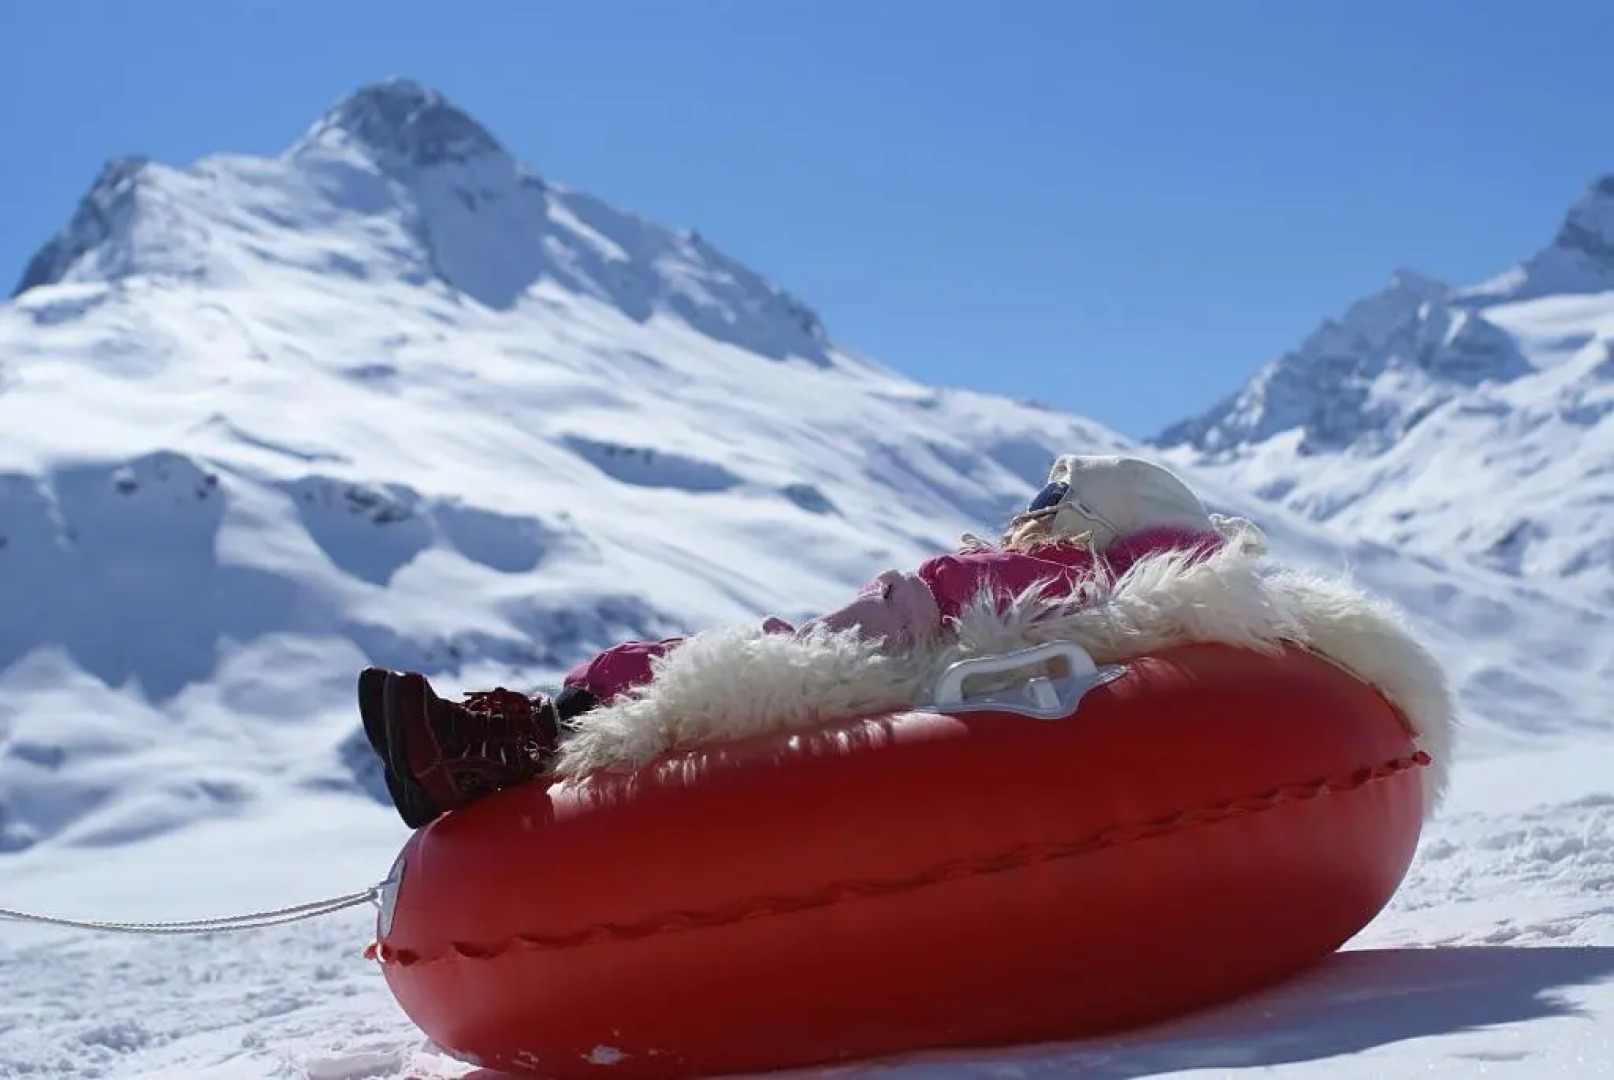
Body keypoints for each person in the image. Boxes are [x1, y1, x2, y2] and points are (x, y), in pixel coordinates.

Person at [357, 454, 1245, 827]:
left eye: (1047, 507)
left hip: (877, 686)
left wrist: (820, 639)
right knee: (676, 677)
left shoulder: (1054, 578)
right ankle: (501, 737)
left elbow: (927, 603)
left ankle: (495, 745)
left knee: (678, 685)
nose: (1023, 520)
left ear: (1093, 525)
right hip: (916, 688)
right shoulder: (1134, 594)